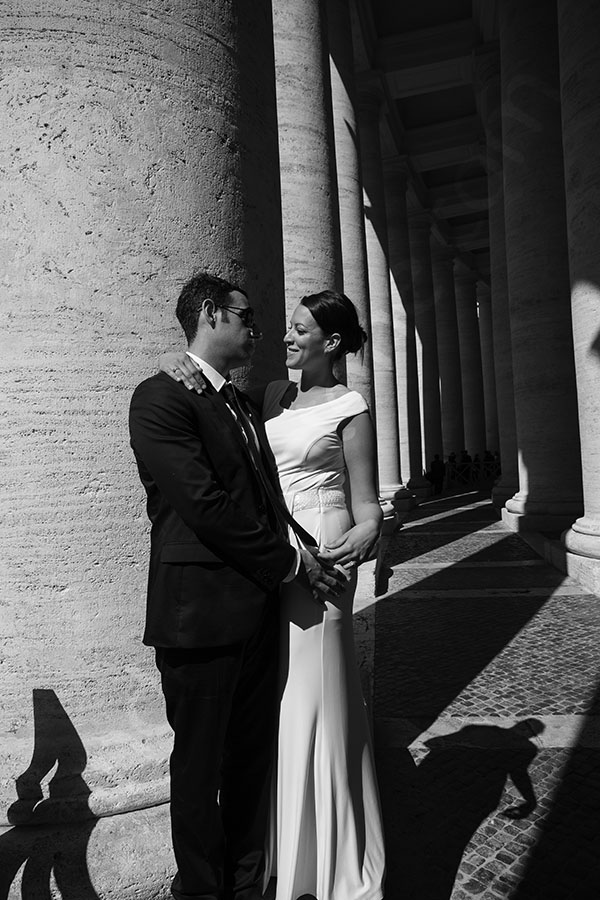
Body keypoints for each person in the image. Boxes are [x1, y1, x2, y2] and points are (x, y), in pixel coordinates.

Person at [162, 289, 386, 900]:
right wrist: (181, 365)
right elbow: (215, 403)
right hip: (276, 558)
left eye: (298, 329)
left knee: (320, 696)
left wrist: (369, 533)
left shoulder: (352, 405)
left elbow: (368, 507)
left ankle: (332, 857)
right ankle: (279, 852)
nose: (284, 337)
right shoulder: (268, 396)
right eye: (281, 327)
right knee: (278, 707)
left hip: (326, 552)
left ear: (331, 342)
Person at [129, 273, 344, 900]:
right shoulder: (160, 398)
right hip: (196, 615)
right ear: (210, 315)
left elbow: (271, 496)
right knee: (199, 769)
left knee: (252, 761)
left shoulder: (247, 405)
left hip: (258, 613)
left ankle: (248, 886)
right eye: (245, 318)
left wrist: (309, 550)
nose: (257, 330)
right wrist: (289, 564)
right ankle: (201, 890)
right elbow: (204, 506)